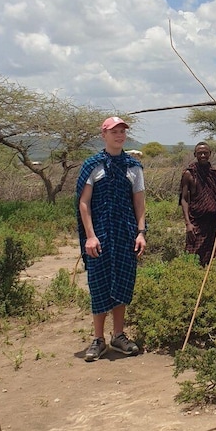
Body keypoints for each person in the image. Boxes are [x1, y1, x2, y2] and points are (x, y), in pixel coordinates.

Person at [76, 116, 147, 362]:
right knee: (99, 285)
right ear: (103, 135)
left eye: (122, 131)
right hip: (100, 235)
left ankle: (118, 335)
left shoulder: (133, 166)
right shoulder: (93, 165)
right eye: (114, 131)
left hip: (125, 233)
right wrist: (90, 236)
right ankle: (98, 339)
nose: (119, 135)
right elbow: (84, 203)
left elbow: (139, 201)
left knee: (122, 284)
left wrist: (141, 232)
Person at [179, 142, 216, 266]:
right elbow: (184, 199)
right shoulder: (189, 174)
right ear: (195, 154)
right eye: (200, 153)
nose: (203, 155)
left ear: (210, 154)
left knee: (215, 261)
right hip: (196, 223)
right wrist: (188, 224)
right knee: (192, 258)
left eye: (205, 153)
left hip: (213, 223)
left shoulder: (215, 173)